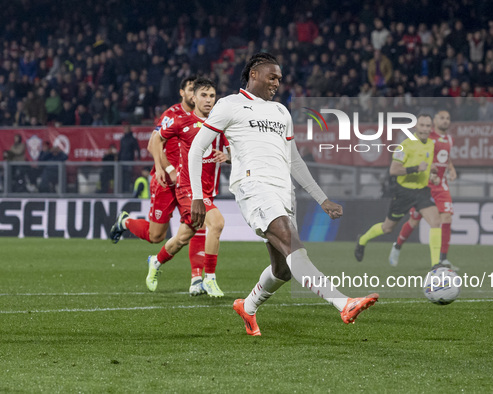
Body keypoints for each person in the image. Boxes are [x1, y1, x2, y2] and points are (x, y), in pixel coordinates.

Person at [188, 53, 378, 336]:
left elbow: (294, 161)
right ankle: (344, 303)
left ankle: (248, 306)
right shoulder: (230, 105)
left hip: (283, 191)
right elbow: (196, 148)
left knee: (283, 270)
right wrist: (197, 196)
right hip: (253, 186)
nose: (277, 83)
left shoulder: (280, 112)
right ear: (254, 73)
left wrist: (321, 198)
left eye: (279, 78)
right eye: (272, 76)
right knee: (293, 244)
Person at [110, 76, 220, 296]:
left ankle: (197, 279)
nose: (193, 94)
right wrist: (163, 168)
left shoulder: (207, 118)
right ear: (183, 93)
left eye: (198, 91)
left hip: (188, 181)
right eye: (191, 90)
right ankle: (126, 221)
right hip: (166, 180)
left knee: (196, 224)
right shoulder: (172, 115)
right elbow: (154, 143)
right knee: (156, 235)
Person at [143, 77, 229, 297]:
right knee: (216, 223)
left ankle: (156, 261)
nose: (208, 100)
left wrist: (227, 156)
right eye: (203, 95)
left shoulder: (221, 123)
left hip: (208, 188)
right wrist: (160, 167)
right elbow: (156, 141)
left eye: (212, 95)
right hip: (188, 187)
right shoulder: (181, 122)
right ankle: (209, 278)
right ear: (194, 97)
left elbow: (233, 150)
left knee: (182, 238)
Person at [354, 114, 443, 267]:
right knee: (387, 228)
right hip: (404, 193)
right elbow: (393, 170)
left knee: (436, 222)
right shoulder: (405, 145)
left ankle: (436, 265)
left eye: (428, 126)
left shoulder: (430, 144)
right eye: (422, 125)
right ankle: (362, 240)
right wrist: (415, 168)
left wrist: (432, 175)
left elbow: (426, 166)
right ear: (416, 127)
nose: (425, 129)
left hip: (422, 191)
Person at [389, 110, 457, 269]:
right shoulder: (427, 137)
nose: (445, 121)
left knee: (446, 218)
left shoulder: (449, 139)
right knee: (414, 220)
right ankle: (397, 246)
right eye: (442, 118)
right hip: (424, 184)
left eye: (448, 118)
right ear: (435, 121)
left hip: (441, 185)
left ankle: (443, 259)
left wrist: (452, 168)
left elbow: (446, 157)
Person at [118, 124, 141, 193]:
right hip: (122, 160)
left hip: (129, 160)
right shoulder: (122, 139)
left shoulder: (132, 139)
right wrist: (118, 159)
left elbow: (138, 149)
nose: (125, 130)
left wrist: (138, 158)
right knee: (122, 176)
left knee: (128, 176)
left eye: (126, 128)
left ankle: (127, 190)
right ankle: (122, 190)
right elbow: (121, 150)